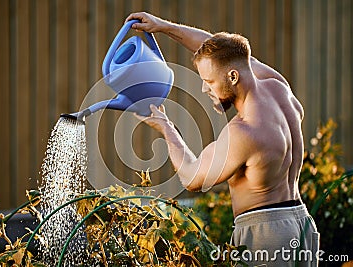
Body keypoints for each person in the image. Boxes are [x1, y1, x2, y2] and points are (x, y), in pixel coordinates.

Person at [126, 12, 320, 266]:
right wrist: (163, 27)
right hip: (301, 224)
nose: (205, 89)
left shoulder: (244, 131)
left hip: (266, 236)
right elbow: (222, 53)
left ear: (232, 77)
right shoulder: (277, 87)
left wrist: (166, 128)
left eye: (209, 82)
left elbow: (193, 176)